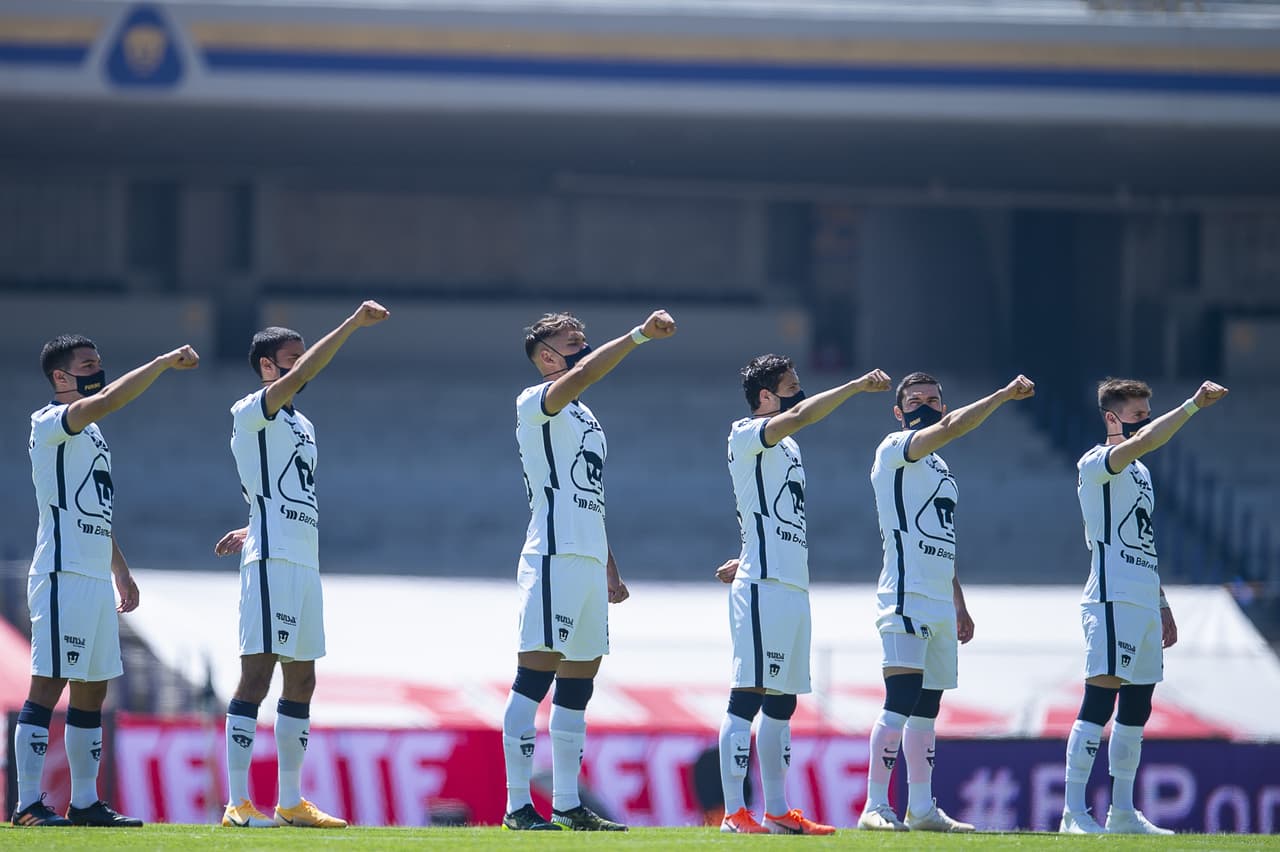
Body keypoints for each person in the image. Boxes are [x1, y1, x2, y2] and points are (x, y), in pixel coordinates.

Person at [212, 301, 390, 829]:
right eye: (292, 358)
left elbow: (281, 489)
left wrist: (253, 520)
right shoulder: (250, 410)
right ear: (269, 366)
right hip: (271, 562)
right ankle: (237, 801)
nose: (302, 364)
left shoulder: (302, 424)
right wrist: (352, 326)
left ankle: (290, 802)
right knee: (256, 676)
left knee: (303, 680)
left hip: (303, 561)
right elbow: (313, 368)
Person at [14, 335, 199, 827]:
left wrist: (120, 570)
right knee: (47, 687)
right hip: (62, 574)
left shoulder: (92, 437)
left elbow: (95, 510)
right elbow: (110, 399)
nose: (98, 371)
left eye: (99, 364)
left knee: (92, 691)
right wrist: (159, 359)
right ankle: (28, 805)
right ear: (60, 377)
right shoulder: (51, 422)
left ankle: (83, 803)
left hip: (94, 577)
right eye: (88, 365)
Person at [501, 310, 675, 832]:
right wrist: (640, 335)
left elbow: (591, 499)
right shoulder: (536, 402)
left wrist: (609, 567)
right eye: (572, 341)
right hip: (552, 554)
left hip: (585, 559)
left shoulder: (586, 418)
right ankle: (515, 806)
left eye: (584, 339)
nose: (583, 345)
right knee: (534, 678)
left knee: (579, 682)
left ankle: (567, 804)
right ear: (548, 357)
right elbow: (585, 376)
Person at [715, 355, 891, 835]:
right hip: (764, 585)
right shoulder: (746, 432)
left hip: (791, 584)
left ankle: (776, 810)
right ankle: (735, 813)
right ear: (766, 397)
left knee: (782, 702)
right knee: (746, 698)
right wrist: (854, 385)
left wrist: (744, 549)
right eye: (792, 386)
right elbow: (800, 416)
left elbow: (763, 509)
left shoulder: (788, 450)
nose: (800, 393)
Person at [858, 372, 1035, 833]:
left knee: (927, 705)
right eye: (916, 400)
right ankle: (875, 804)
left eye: (934, 400)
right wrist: (1001, 393)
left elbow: (943, 541)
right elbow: (953, 427)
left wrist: (959, 602)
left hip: (938, 598)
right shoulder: (894, 447)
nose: (926, 406)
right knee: (900, 696)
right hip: (904, 593)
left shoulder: (941, 470)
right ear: (898, 411)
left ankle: (920, 807)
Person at [1059, 377, 1228, 835]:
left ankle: (1122, 813)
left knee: (1138, 705)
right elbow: (1151, 441)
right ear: (1112, 418)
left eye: (1147, 415)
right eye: (1136, 416)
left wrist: (1162, 601)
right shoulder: (1097, 462)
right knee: (1100, 699)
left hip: (1142, 598)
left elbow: (1143, 542)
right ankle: (1073, 811)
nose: (1145, 424)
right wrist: (1193, 405)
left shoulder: (1140, 473)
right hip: (1111, 598)